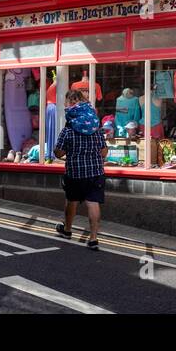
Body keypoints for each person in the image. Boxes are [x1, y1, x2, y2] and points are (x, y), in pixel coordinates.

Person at [52, 89, 106, 250]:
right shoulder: (96, 128)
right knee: (93, 203)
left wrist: (67, 151)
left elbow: (58, 152)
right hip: (96, 172)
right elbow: (104, 151)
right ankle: (93, 238)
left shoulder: (68, 130)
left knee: (71, 201)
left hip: (75, 172)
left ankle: (67, 230)